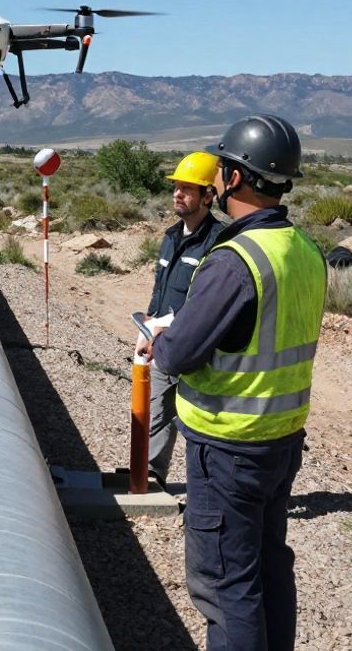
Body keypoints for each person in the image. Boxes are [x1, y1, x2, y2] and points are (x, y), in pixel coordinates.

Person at [149, 114, 326, 651]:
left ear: (236, 178)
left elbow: (178, 354)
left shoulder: (234, 260)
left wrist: (161, 335)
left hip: (229, 446)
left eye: (223, 167)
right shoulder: (304, 250)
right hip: (281, 440)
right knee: (269, 567)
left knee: (226, 584)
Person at [135, 151, 221, 486]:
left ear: (208, 196)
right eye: (176, 187)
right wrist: (148, 328)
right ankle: (152, 474)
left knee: (203, 422)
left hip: (198, 351)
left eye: (188, 188)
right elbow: (160, 291)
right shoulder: (171, 237)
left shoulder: (219, 242)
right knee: (156, 413)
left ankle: (212, 486)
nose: (178, 194)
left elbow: (209, 302)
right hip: (162, 344)